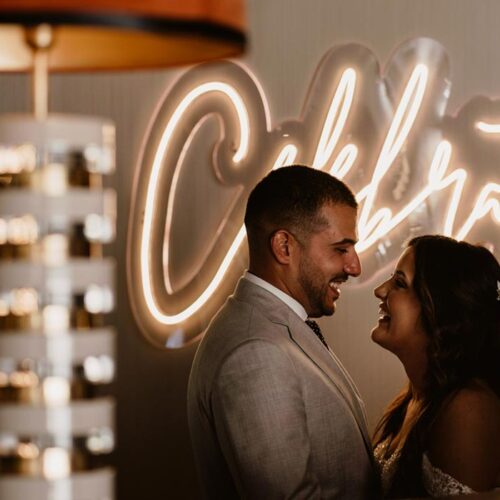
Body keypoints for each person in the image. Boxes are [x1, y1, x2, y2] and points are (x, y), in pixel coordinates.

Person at [188, 165, 378, 499]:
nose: (355, 266)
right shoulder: (255, 353)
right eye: (341, 248)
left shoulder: (271, 327)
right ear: (284, 247)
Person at [371, 235, 500, 498]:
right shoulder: (415, 396)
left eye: (399, 283)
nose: (380, 290)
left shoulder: (467, 408)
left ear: (438, 308)